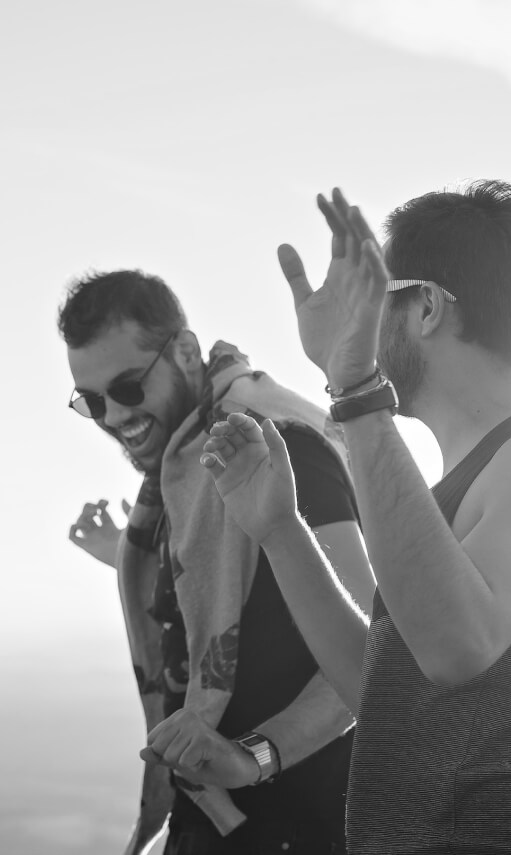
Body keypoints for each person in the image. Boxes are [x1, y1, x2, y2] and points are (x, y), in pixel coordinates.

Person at [195, 182, 511, 854]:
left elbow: (457, 645)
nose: (361, 326)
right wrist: (281, 530)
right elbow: (387, 696)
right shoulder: (477, 474)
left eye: (374, 301)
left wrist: (354, 390)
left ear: (426, 306)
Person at [59, 269, 374, 855]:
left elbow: (371, 651)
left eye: (127, 387)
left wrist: (254, 756)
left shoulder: (276, 447)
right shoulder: (182, 470)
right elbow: (227, 594)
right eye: (92, 401)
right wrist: (123, 557)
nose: (114, 416)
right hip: (210, 824)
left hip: (297, 826)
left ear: (184, 351)